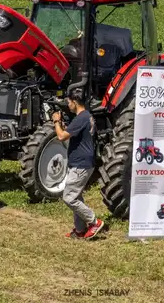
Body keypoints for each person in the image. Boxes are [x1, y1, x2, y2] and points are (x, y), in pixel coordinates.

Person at [52, 88, 105, 240]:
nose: (68, 105)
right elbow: (70, 133)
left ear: (74, 102)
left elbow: (61, 136)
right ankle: (80, 230)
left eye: (69, 102)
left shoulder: (81, 118)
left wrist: (56, 121)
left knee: (69, 197)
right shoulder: (87, 116)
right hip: (83, 162)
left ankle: (94, 222)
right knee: (77, 196)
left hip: (81, 164)